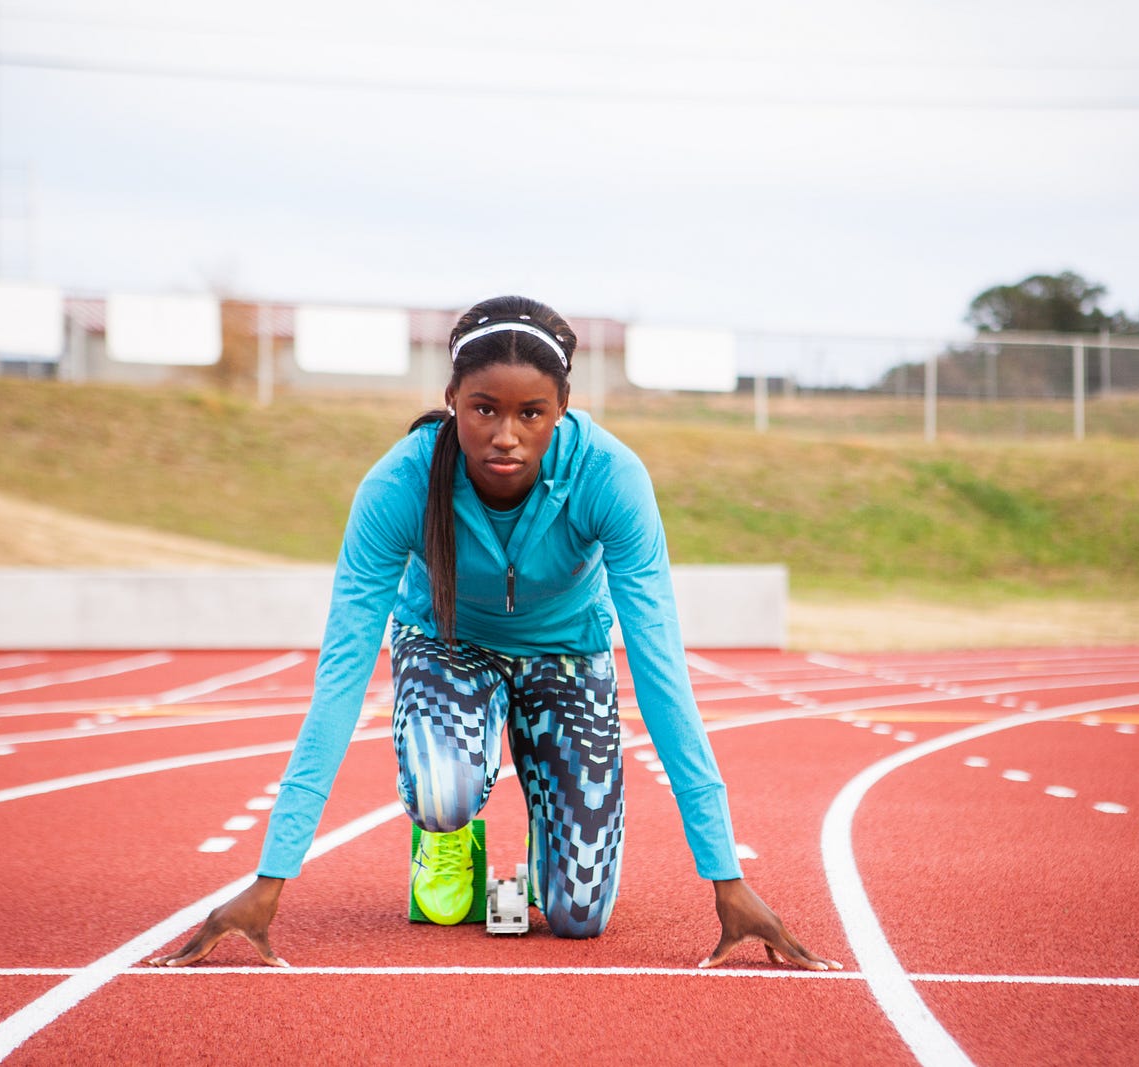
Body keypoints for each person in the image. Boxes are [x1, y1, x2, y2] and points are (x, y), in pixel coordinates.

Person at [150, 295, 840, 971]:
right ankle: (447, 836)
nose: (505, 434)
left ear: (561, 411)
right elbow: (340, 675)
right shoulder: (401, 483)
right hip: (448, 645)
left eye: (530, 413)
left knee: (578, 916)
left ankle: (554, 848)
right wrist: (272, 876)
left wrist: (725, 875)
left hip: (567, 654)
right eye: (485, 409)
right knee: (442, 790)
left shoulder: (610, 478)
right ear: (452, 398)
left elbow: (663, 674)